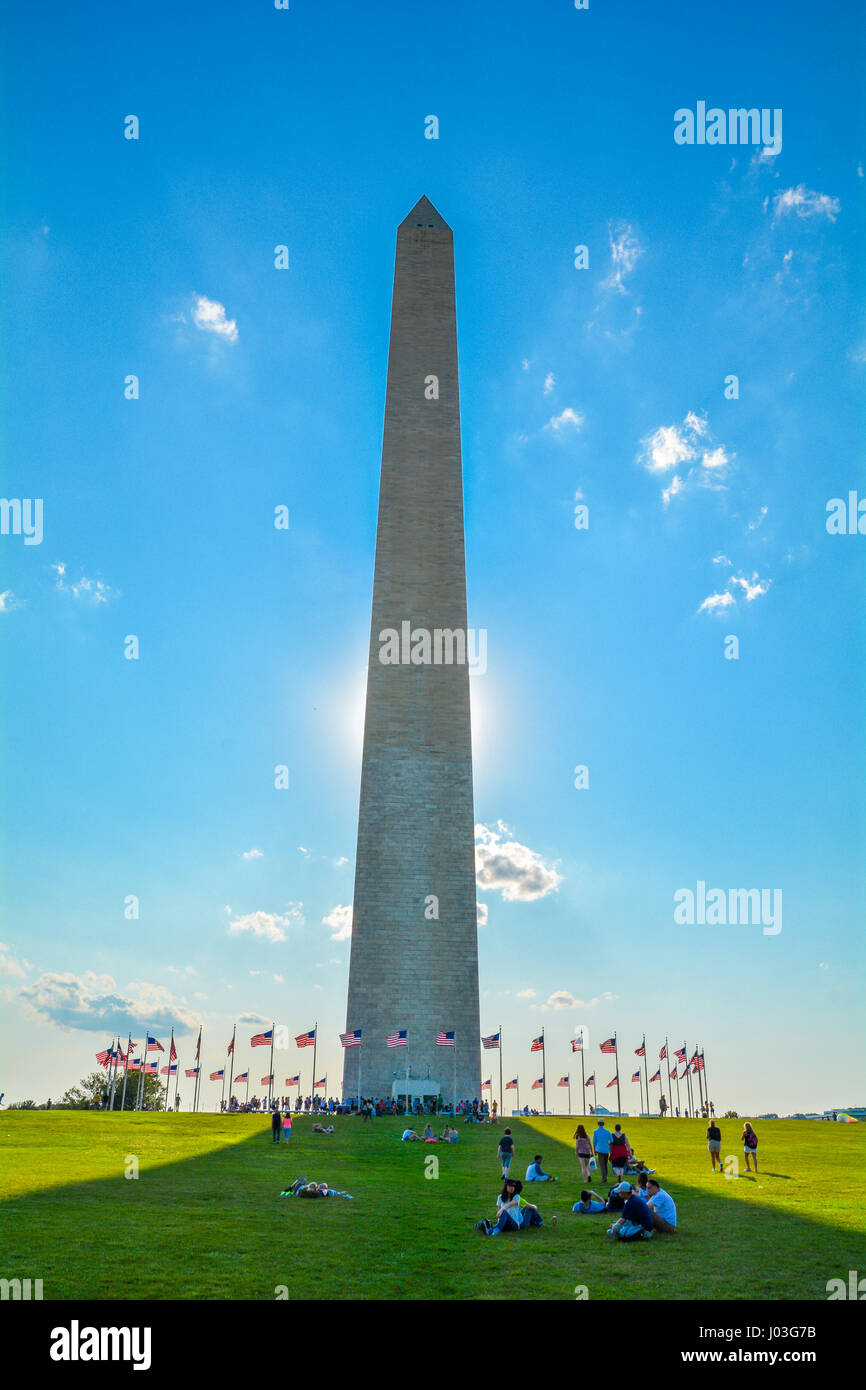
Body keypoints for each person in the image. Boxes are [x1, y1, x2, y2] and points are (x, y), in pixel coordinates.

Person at [476, 1178, 543, 1235]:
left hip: (515, 1225)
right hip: (505, 1222)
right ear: (506, 1187)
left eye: (513, 1186)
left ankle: (492, 1231)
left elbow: (510, 1204)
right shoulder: (500, 1197)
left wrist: (502, 1209)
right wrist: (500, 1221)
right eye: (510, 1186)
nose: (512, 1188)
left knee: (506, 1212)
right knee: (503, 1216)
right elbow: (498, 1213)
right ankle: (490, 1229)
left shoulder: (517, 1197)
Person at [592, 1119, 612, 1183]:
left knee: (602, 1165)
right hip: (606, 1150)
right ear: (603, 1124)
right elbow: (611, 1140)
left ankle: (604, 1179)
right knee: (605, 1165)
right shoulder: (607, 1131)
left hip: (599, 1150)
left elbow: (594, 1142)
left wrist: (594, 1150)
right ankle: (605, 1177)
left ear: (598, 1123)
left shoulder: (595, 1132)